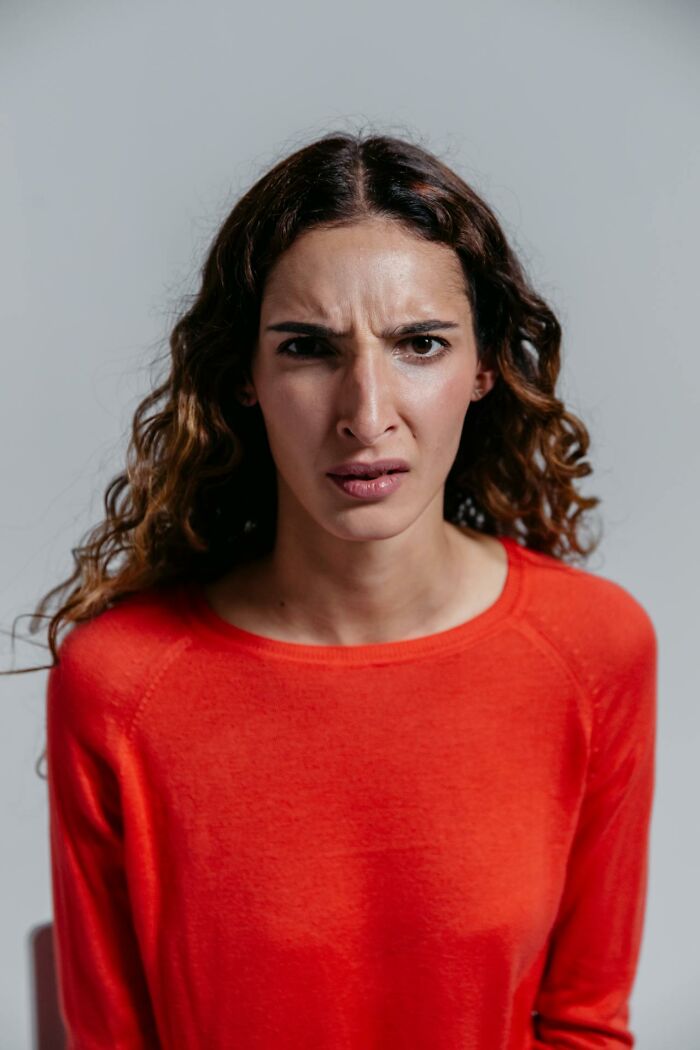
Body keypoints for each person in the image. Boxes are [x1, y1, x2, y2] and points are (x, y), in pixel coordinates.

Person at [33, 130, 656, 1048]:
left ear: (482, 367)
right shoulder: (120, 683)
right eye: (308, 348)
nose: (367, 415)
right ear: (245, 376)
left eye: (420, 343)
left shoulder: (594, 647)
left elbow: (584, 1026)